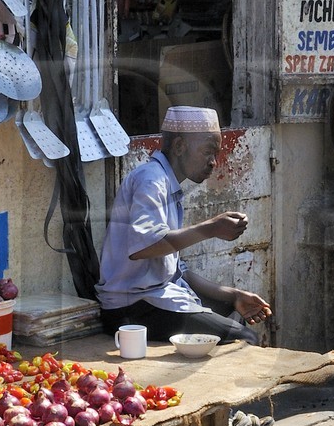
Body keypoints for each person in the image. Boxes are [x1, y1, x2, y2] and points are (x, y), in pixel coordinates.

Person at [97, 105, 272, 344]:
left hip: (153, 299)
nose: (213, 162)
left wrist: (234, 295)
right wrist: (210, 228)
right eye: (207, 152)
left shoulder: (168, 186)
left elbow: (178, 271)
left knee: (234, 309)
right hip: (132, 308)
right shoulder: (152, 180)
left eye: (216, 154)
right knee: (244, 338)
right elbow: (143, 246)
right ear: (179, 146)